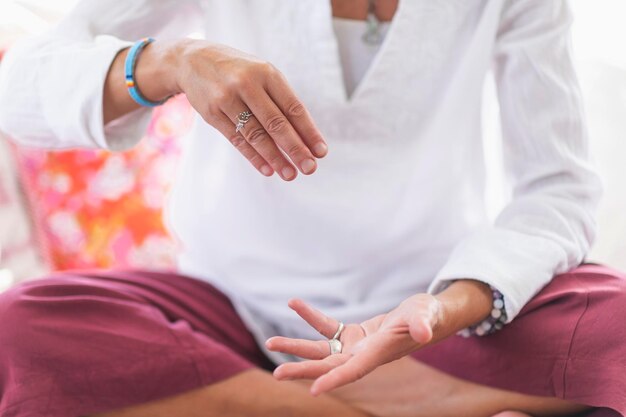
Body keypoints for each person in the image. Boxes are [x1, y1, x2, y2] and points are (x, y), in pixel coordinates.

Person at [0, 0, 624, 416]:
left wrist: (443, 306)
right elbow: (18, 91)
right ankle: (420, 405)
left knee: (614, 322)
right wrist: (169, 61)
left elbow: (557, 188)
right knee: (21, 327)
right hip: (230, 313)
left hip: (430, 322)